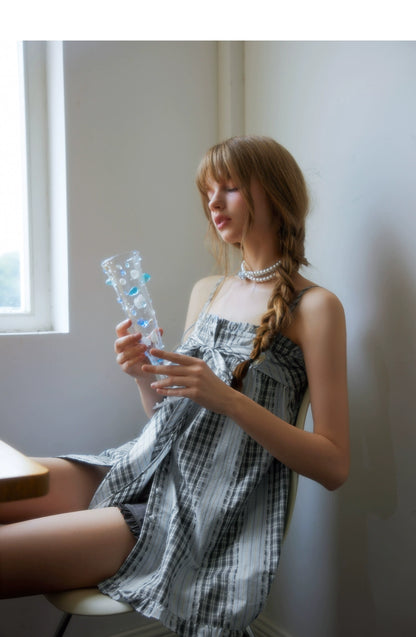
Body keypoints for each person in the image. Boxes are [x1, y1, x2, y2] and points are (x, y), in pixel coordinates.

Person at [0, 135, 349, 636]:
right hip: (137, 467)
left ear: (273, 193)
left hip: (189, 517)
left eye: (228, 187)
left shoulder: (316, 308)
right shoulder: (207, 291)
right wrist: (143, 376)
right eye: (208, 190)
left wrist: (227, 399)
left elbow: (334, 464)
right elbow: (170, 421)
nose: (212, 201)